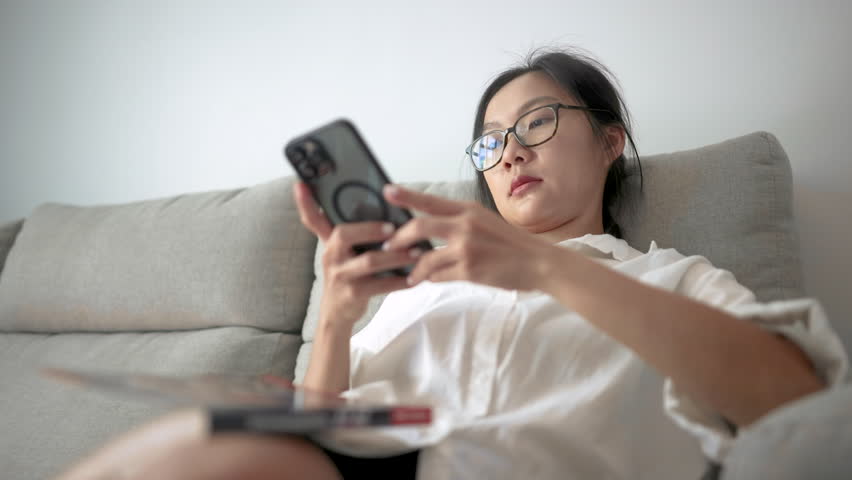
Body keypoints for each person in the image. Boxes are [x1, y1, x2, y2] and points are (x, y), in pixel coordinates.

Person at [56, 48, 848, 480]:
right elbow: (328, 426)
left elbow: (795, 403)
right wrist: (334, 316)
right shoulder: (423, 286)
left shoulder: (673, 281)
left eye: (536, 122)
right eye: (491, 142)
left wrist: (544, 269)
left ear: (610, 139)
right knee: (199, 447)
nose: (510, 153)